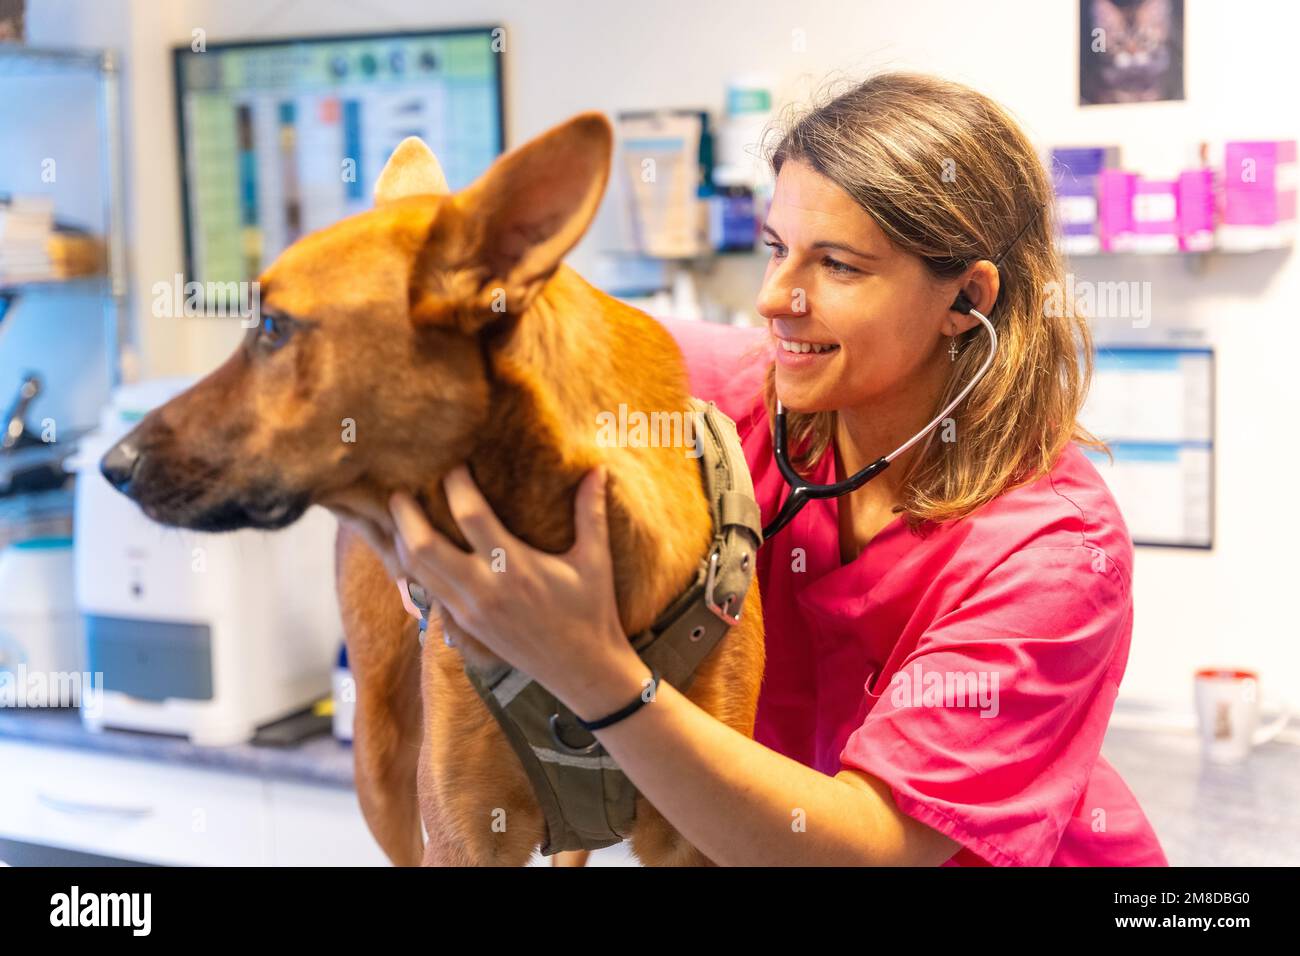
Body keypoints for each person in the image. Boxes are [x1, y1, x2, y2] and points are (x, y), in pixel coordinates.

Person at [379, 71, 1169, 866]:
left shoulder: (1056, 552)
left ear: (966, 299)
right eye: (776, 248)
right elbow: (536, 348)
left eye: (838, 266)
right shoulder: (720, 400)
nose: (774, 297)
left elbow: (872, 849)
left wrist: (593, 674)